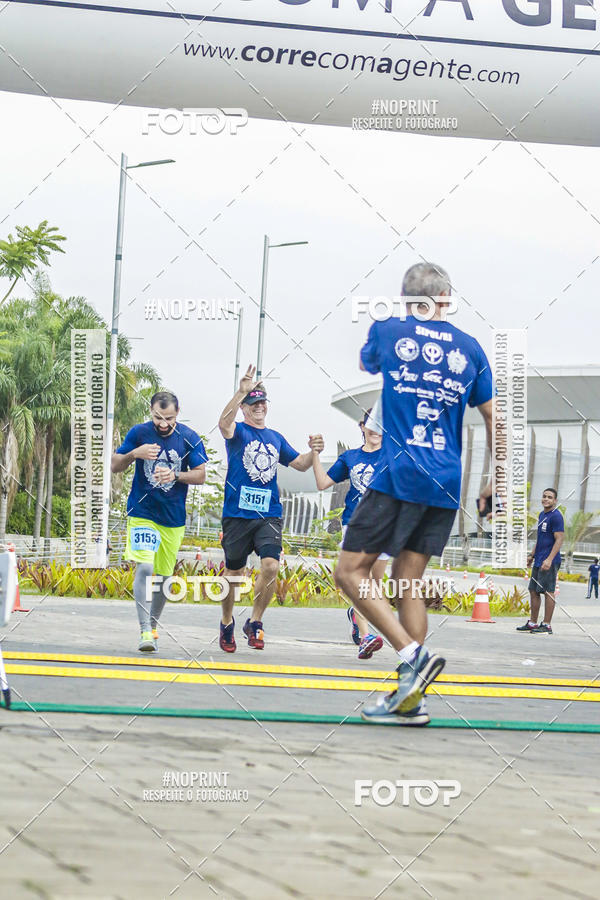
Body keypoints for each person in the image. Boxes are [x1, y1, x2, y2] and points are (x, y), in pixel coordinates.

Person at [335, 262, 494, 725]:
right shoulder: (471, 348)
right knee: (408, 581)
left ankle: (413, 656)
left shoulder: (389, 330)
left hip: (400, 473)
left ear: (406, 300)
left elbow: (366, 362)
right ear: (447, 298)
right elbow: (495, 417)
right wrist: (494, 479)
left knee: (349, 572)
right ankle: (412, 700)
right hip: (445, 480)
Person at [217, 366, 323, 652]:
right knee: (234, 574)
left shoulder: (275, 438)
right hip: (237, 514)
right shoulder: (238, 432)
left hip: (269, 514)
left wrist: (314, 451)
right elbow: (223, 424)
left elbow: (299, 464)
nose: (259, 407)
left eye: (262, 402)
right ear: (244, 408)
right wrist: (240, 391)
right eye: (253, 403)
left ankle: (255, 622)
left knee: (271, 566)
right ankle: (226, 622)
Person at [112, 391, 207, 651]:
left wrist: (175, 475)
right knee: (145, 567)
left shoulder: (189, 437)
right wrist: (135, 453)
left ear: (178, 414)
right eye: (158, 417)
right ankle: (144, 630)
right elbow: (115, 465)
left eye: (169, 419)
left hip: (172, 517)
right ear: (151, 412)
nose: (163, 424)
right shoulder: (139, 433)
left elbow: (200, 475)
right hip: (143, 512)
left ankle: (152, 627)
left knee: (164, 578)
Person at [312, 407, 385, 659]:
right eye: (371, 423)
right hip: (355, 525)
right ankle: (366, 638)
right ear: (362, 426)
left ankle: (356, 615)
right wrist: (315, 454)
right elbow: (322, 483)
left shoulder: (394, 455)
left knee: (374, 587)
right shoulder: (350, 457)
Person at [517, 488, 564, 634]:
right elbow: (540, 539)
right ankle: (533, 623)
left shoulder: (556, 516)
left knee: (548, 592)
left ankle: (546, 625)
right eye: (544, 496)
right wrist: (531, 555)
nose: (546, 499)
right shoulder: (542, 515)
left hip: (550, 561)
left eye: (550, 497)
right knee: (533, 590)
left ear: (555, 500)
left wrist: (549, 559)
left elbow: (559, 539)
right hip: (539, 559)